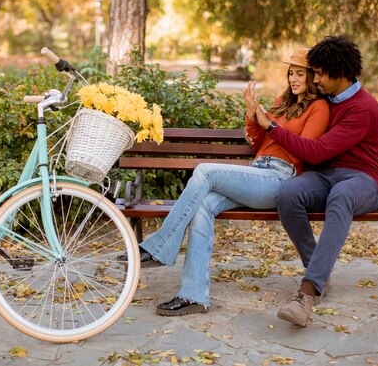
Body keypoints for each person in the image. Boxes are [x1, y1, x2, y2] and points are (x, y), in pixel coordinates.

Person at [121, 48, 330, 316]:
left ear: (312, 76)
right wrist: (252, 114)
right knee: (202, 206)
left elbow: (305, 150)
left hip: (280, 179)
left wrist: (269, 124)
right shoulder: (282, 101)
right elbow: (257, 142)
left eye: (300, 73)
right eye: (291, 73)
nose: (293, 78)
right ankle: (193, 295)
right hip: (258, 171)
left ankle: (159, 247)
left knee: (205, 171)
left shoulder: (319, 107)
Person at [251, 36, 378, 327]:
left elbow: (319, 150)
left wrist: (271, 127)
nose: (316, 78)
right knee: (288, 193)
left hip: (361, 180)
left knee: (343, 194)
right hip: (324, 176)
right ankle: (318, 270)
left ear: (339, 72)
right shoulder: (323, 102)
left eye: (320, 73)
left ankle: (307, 292)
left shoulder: (364, 108)